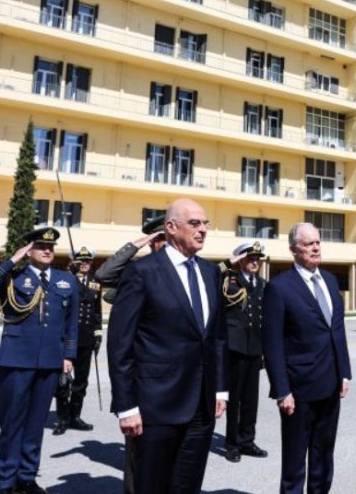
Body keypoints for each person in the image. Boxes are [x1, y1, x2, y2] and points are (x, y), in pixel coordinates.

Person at [107, 199, 227, 494]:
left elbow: (217, 337)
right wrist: (126, 407)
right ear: (171, 228)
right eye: (195, 224)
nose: (202, 230)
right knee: (152, 486)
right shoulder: (143, 272)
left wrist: (220, 388)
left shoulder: (211, 273)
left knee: (187, 485)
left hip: (201, 405)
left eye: (205, 224)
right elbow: (119, 344)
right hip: (156, 406)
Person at [0, 226, 78, 494]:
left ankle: (26, 477)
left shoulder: (65, 280)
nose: (47, 251)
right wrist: (12, 260)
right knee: (12, 423)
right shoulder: (14, 276)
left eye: (51, 247)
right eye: (41, 246)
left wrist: (68, 355)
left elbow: (72, 323)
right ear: (29, 249)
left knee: (35, 424)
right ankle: (6, 481)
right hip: (16, 360)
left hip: (50, 362)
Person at [263, 222, 352, 494]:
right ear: (293, 250)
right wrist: (281, 390)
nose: (315, 247)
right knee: (294, 461)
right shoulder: (279, 288)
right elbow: (272, 344)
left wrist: (344, 371)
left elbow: (336, 329)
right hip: (298, 390)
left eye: (317, 242)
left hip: (330, 383)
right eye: (308, 243)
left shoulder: (330, 280)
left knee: (324, 455)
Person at [93, 214, 165, 494]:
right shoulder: (137, 269)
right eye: (157, 240)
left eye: (165, 239)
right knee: (139, 456)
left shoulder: (184, 270)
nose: (163, 244)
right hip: (142, 376)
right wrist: (135, 245)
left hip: (173, 378)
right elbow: (103, 276)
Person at [223, 241, 268, 463]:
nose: (255, 262)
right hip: (235, 347)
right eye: (250, 258)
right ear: (240, 260)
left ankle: (247, 441)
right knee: (235, 399)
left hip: (255, 348)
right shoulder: (230, 281)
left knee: (251, 399)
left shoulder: (262, 284)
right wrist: (229, 265)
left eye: (257, 259)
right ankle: (231, 443)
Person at [53, 247, 103, 436]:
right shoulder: (67, 280)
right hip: (68, 338)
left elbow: (97, 311)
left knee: (81, 381)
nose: (84, 264)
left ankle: (75, 416)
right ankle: (62, 419)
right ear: (75, 263)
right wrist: (72, 278)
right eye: (81, 261)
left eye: (87, 261)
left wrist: (98, 334)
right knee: (63, 380)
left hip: (87, 338)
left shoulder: (96, 283)